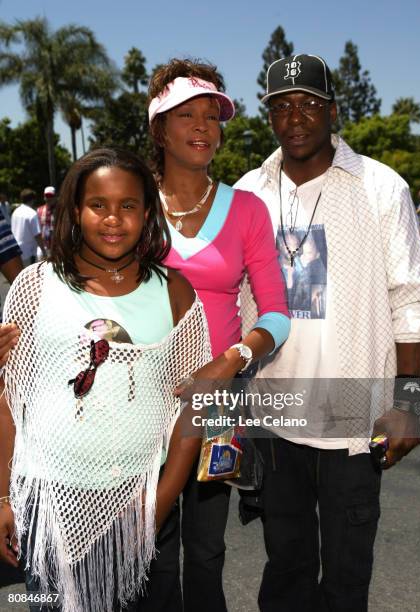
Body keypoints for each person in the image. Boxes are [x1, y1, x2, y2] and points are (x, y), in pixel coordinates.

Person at [235, 54, 420, 611]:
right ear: (269, 115)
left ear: (333, 111)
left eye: (309, 104)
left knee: (346, 579)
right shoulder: (248, 192)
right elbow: (231, 300)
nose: (296, 118)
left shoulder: (380, 187)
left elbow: (412, 299)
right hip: (276, 414)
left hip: (356, 416)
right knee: (286, 572)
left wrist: (408, 404)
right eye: (282, 106)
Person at [0, 147, 213, 612]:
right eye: (98, 205)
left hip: (141, 504)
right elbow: (8, 401)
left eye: (128, 205)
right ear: (76, 210)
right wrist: (1, 499)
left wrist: (157, 507)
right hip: (50, 505)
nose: (113, 218)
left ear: (147, 212)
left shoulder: (174, 292)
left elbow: (192, 409)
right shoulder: (35, 286)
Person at [148, 58, 290, 611]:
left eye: (213, 116)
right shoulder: (131, 206)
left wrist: (229, 360)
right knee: (150, 543)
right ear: (159, 127)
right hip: (139, 396)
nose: (205, 127)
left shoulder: (248, 209)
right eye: (188, 115)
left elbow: (276, 314)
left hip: (217, 401)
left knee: (206, 548)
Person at [10, 188, 47, 265]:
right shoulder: (32, 214)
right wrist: (44, 251)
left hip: (16, 252)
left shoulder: (15, 212)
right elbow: (37, 235)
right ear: (33, 200)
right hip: (28, 252)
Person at [37, 185, 57, 258]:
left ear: (55, 197)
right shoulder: (39, 210)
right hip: (44, 247)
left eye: (50, 196)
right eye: (46, 196)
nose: (48, 199)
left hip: (56, 247)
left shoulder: (60, 210)